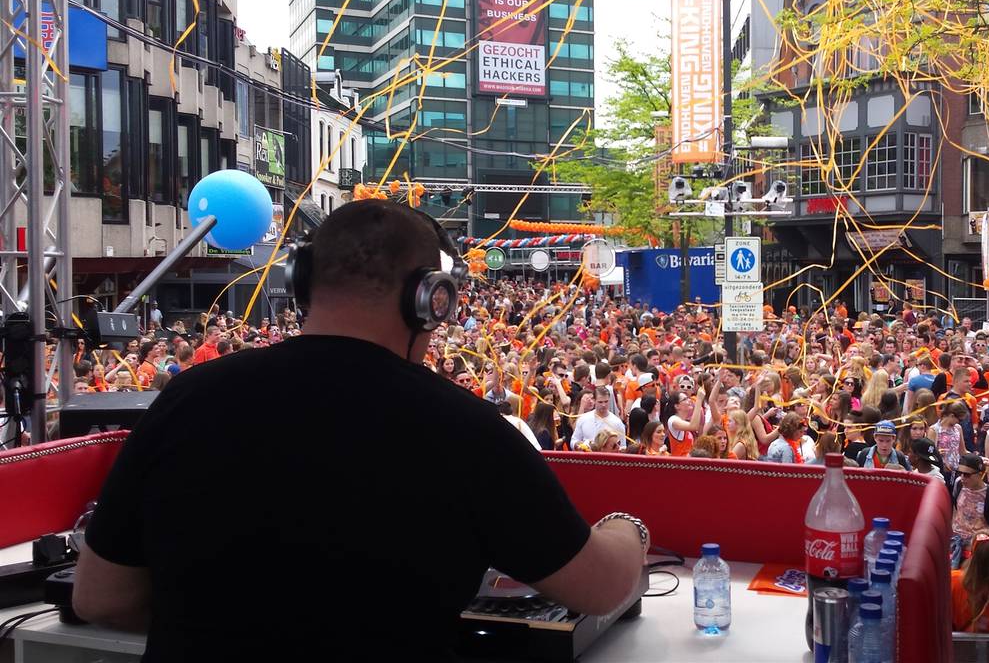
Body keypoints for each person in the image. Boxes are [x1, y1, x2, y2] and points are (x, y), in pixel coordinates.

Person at [72, 201, 648, 660]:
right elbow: (600, 588)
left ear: (302, 285)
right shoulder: (463, 427)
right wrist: (630, 528)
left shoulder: (184, 400)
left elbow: (99, 597)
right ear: (432, 299)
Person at [570, 386, 625, 450]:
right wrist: (578, 445)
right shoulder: (583, 419)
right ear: (594, 400)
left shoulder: (617, 422)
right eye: (600, 402)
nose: (603, 405)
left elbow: (623, 446)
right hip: (587, 457)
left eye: (606, 401)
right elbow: (574, 440)